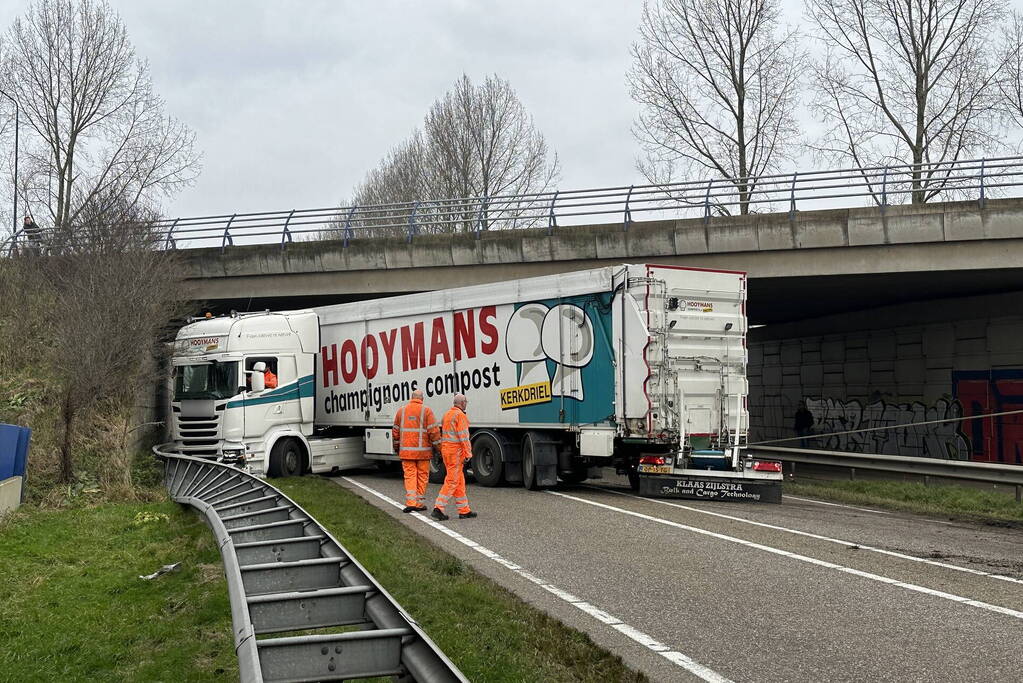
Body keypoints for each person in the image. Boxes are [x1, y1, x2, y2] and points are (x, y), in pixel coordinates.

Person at [392, 389, 440, 513]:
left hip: (407, 453)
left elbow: (395, 433)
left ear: (411, 398)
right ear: (422, 399)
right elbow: (434, 432)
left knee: (410, 476)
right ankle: (419, 503)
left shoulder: (401, 411)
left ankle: (411, 503)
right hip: (423, 453)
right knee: (422, 477)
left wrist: (396, 447)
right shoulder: (426, 411)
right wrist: (439, 449)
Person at [432, 393, 476, 521]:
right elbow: (463, 437)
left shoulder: (447, 414)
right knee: (452, 481)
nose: (466, 404)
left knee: (459, 481)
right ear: (462, 403)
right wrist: (468, 453)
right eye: (466, 402)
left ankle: (464, 510)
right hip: (455, 453)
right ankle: (438, 508)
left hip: (447, 451)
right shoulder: (460, 416)